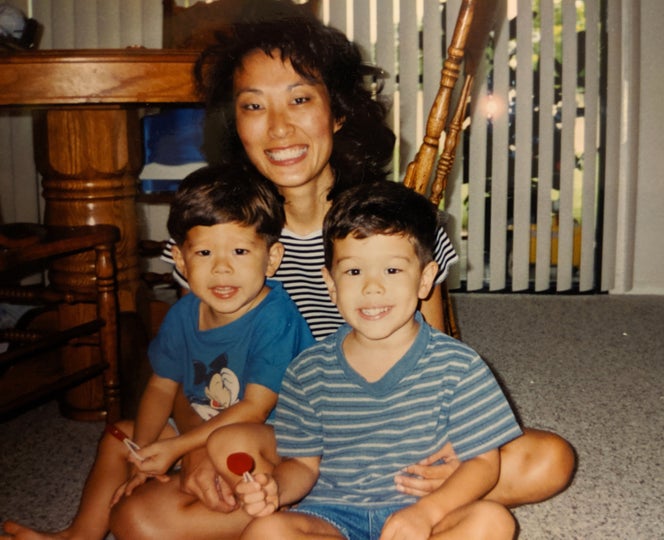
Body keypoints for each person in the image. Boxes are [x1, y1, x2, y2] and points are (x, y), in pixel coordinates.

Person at [110, 6, 574, 539]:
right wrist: (195, 454)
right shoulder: (222, 239)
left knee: (549, 460)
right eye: (254, 106)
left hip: (398, 440)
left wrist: (453, 453)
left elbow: (437, 353)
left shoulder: (389, 227)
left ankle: (377, 511)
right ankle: (310, 513)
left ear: (338, 112)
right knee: (137, 521)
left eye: (301, 99)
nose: (279, 126)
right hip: (282, 442)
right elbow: (187, 364)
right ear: (235, 124)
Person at [0, 164, 314, 540]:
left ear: (272, 257)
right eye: (204, 252)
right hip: (201, 429)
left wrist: (177, 447)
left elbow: (255, 409)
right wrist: (144, 456)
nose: (222, 268)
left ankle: (279, 507)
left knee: (218, 456)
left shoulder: (276, 317)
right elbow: (162, 388)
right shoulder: (182, 314)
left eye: (241, 250)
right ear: (181, 261)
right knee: (121, 434)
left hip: (270, 448)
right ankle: (78, 535)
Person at [211, 180, 521, 540]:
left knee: (492, 521)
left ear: (424, 280)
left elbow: (483, 463)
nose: (372, 287)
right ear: (330, 284)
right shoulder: (307, 370)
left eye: (392, 270)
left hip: (426, 514)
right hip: (331, 516)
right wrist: (276, 487)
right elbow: (302, 464)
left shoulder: (460, 366)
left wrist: (425, 514)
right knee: (267, 530)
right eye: (354, 272)